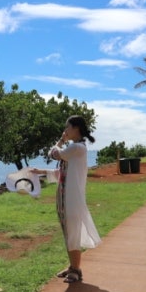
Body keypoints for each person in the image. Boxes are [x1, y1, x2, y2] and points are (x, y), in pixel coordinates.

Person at [33, 116, 101, 283]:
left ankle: (76, 270)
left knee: (73, 233)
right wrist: (40, 171)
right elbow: (61, 173)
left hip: (72, 199)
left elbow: (54, 153)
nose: (65, 130)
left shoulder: (77, 148)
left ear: (76, 128)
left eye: (67, 127)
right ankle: (72, 266)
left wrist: (60, 141)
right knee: (68, 232)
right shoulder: (74, 150)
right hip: (64, 197)